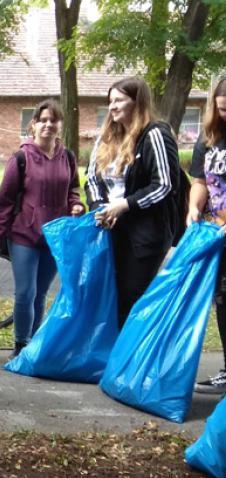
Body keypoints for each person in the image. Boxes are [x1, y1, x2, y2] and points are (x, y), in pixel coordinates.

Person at [0, 99, 84, 357]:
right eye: (43, 120)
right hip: (24, 236)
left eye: (53, 120)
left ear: (60, 124)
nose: (48, 125)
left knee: (40, 293)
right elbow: (4, 201)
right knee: (25, 292)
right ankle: (20, 345)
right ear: (34, 125)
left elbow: (73, 190)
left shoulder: (68, 157)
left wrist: (76, 205)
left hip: (55, 236)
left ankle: (33, 346)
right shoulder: (21, 158)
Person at [86, 77, 181, 326]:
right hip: (111, 229)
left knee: (133, 298)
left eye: (119, 100)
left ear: (137, 102)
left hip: (146, 235)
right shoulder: (106, 137)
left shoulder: (156, 134)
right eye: (110, 101)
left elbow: (164, 185)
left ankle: (133, 360)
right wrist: (98, 207)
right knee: (112, 297)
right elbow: (91, 180)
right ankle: (117, 358)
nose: (112, 107)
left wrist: (125, 204)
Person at [188, 78, 226, 394]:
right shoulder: (209, 138)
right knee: (222, 300)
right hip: (215, 233)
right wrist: (193, 208)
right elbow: (201, 179)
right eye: (221, 108)